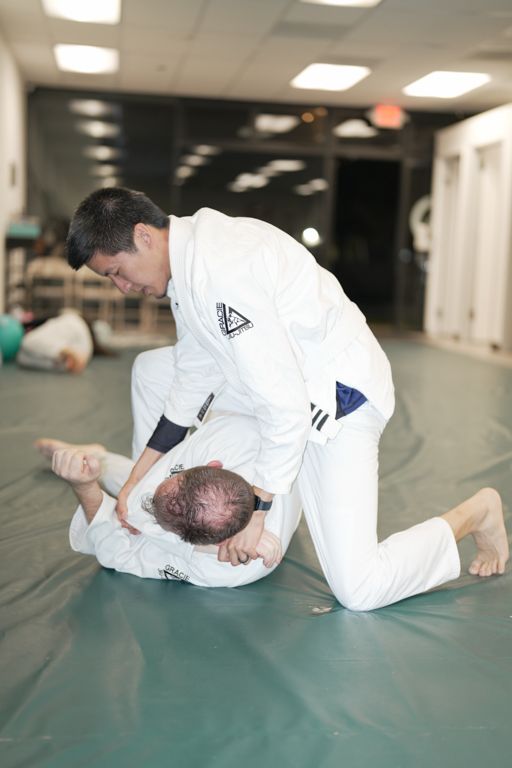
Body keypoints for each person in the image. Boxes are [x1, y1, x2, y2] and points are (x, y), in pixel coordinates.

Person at [66, 187, 509, 611]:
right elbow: (193, 373)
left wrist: (258, 513)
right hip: (278, 385)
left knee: (359, 588)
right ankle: (168, 500)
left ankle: (478, 513)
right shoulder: (188, 264)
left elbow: (286, 409)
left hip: (335, 401)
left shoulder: (221, 268)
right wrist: (136, 482)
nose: (121, 287)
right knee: (153, 369)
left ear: (143, 235)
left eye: (116, 272)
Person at [36, 413, 301, 588]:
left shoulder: (226, 570)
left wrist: (84, 485)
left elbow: (118, 552)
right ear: (213, 465)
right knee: (135, 495)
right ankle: (101, 460)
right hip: (239, 426)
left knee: (134, 507)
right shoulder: (230, 433)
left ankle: (100, 462)